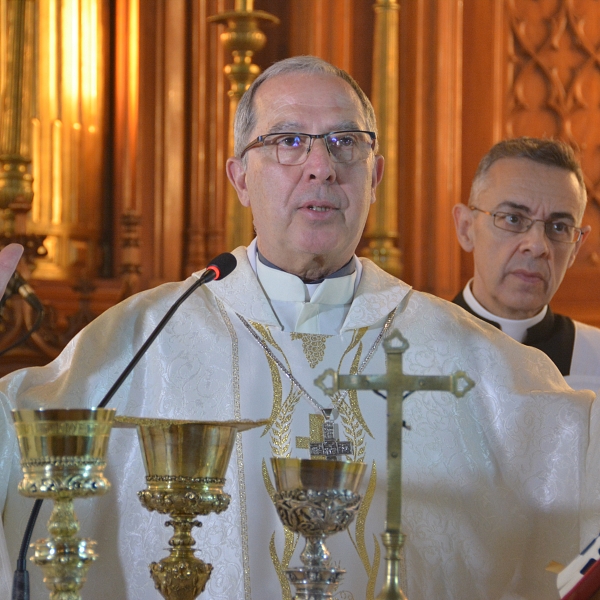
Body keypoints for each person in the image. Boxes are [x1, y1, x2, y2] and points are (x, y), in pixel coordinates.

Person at [0, 57, 594, 600]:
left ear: (375, 174)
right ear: (238, 177)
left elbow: (577, 452)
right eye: (288, 141)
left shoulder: (461, 351)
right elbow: (16, 438)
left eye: (344, 143)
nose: (321, 167)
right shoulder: (145, 337)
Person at [452, 137, 600, 393]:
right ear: (466, 228)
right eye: (513, 219)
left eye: (559, 227)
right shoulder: (406, 348)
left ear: (576, 247)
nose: (538, 245)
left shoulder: (594, 359)